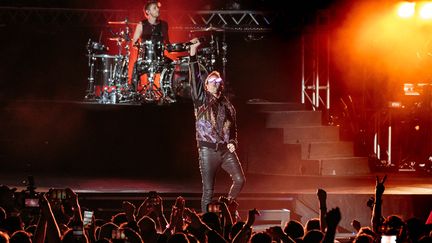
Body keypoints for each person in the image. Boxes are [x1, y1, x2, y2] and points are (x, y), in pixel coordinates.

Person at [188, 38, 246, 213]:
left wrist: (233, 143)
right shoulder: (201, 99)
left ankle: (226, 207)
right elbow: (195, 78)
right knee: (208, 191)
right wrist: (193, 53)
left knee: (240, 179)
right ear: (206, 85)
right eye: (212, 81)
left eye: (218, 81)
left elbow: (234, 129)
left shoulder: (228, 105)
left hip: (226, 151)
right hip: (207, 151)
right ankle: (207, 222)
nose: (216, 83)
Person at [131, 0, 170, 93]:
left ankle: (168, 92)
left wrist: (171, 47)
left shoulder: (164, 25)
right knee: (135, 67)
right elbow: (134, 43)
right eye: (155, 8)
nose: (158, 9)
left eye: (158, 7)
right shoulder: (141, 25)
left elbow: (167, 42)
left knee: (172, 65)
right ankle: (133, 93)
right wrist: (141, 46)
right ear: (148, 12)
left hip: (160, 59)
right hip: (145, 59)